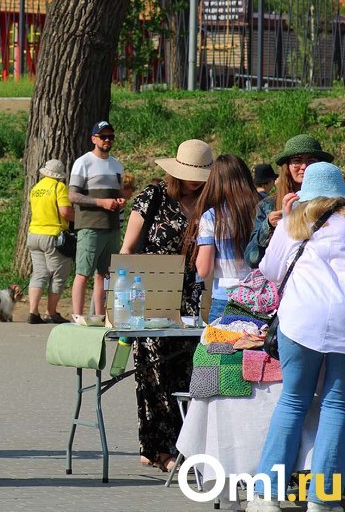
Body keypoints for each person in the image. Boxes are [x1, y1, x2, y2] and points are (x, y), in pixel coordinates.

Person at [246, 163, 345, 512]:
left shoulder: (293, 222)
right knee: (336, 406)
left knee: (293, 402)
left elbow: (267, 270)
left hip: (300, 321)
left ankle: (266, 495)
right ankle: (323, 499)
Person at [119, 139, 212, 472]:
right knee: (152, 373)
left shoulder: (207, 204)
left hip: (188, 295)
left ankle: (173, 446)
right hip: (150, 288)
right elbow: (128, 248)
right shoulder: (153, 196)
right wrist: (125, 300)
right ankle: (160, 448)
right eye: (190, 173)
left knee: (183, 371)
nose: (196, 180)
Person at [184, 153, 259, 323]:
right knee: (254, 349)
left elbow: (204, 270)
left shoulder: (211, 216)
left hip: (225, 298)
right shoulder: (262, 210)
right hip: (260, 297)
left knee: (220, 348)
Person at [245, 135, 333, 268]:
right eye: (297, 160)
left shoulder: (333, 203)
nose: (304, 166)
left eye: (312, 160)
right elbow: (252, 260)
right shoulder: (269, 206)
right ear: (287, 166)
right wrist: (268, 226)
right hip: (283, 283)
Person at [68, 120, 125, 320]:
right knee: (83, 272)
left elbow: (118, 193)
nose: (107, 140)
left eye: (111, 136)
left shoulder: (117, 165)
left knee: (105, 274)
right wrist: (101, 202)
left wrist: (120, 201)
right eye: (103, 136)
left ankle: (101, 317)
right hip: (90, 226)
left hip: (111, 227)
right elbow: (73, 196)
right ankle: (77, 315)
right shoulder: (83, 162)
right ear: (94, 139)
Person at [25, 159, 74, 324]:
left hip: (33, 234)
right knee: (58, 274)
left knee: (39, 273)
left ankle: (33, 312)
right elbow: (65, 212)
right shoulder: (58, 187)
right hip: (52, 235)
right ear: (59, 176)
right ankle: (51, 312)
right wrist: (78, 219)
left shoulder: (36, 188)